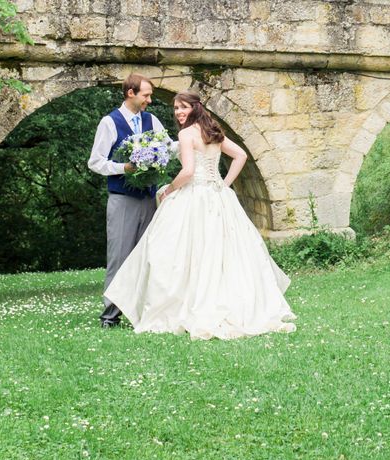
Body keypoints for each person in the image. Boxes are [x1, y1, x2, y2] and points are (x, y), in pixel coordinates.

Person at [104, 90, 296, 340]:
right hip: (217, 197)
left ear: (195, 107)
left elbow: (188, 172)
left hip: (195, 196)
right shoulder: (212, 131)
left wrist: (168, 190)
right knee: (216, 251)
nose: (179, 113)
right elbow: (240, 156)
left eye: (183, 107)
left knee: (179, 251)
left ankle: (185, 304)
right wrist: (224, 184)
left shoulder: (186, 134)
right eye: (176, 108)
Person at [88, 73, 171, 328]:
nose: (150, 100)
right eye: (146, 95)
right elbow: (96, 162)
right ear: (131, 93)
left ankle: (145, 313)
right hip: (122, 199)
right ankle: (110, 315)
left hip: (149, 198)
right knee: (120, 256)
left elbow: (167, 147)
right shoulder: (109, 122)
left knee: (149, 255)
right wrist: (124, 167)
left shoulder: (152, 120)